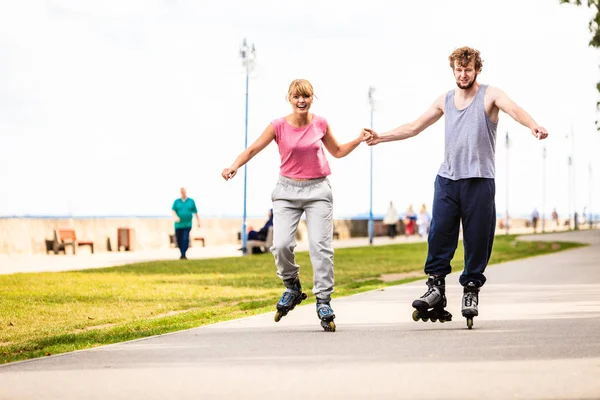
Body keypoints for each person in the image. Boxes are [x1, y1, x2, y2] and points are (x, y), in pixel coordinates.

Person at [364, 46, 548, 328]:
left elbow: (513, 108)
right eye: (459, 70)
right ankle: (436, 287)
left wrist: (532, 125)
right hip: (448, 180)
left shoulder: (490, 95)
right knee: (439, 234)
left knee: (477, 239)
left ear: (477, 70)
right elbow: (414, 127)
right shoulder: (445, 99)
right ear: (453, 71)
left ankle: (471, 288)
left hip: (479, 180)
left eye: (468, 69)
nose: (463, 74)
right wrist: (382, 136)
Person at [222, 79, 369, 332]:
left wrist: (358, 139)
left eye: (306, 96)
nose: (301, 101)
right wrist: (234, 165)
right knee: (280, 246)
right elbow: (253, 149)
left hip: (318, 190)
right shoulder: (278, 125)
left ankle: (323, 300)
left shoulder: (320, 123)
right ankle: (292, 286)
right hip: (287, 191)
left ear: (312, 98)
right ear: (289, 98)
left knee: (320, 247)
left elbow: (337, 151)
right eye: (296, 97)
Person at [171, 187, 200, 260]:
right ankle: (182, 253)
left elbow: (195, 212)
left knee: (185, 238)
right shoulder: (176, 201)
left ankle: (183, 254)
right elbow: (173, 210)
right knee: (178, 239)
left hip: (187, 224)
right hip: (178, 225)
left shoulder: (191, 201)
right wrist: (176, 217)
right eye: (182, 192)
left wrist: (198, 221)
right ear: (180, 192)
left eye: (184, 192)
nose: (183, 193)